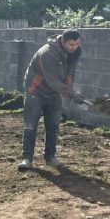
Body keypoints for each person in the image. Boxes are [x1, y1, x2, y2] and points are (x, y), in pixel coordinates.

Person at [18, 29, 86, 171]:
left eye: (77, 44)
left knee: (53, 125)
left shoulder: (76, 51)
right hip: (35, 91)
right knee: (30, 125)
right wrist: (72, 93)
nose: (74, 47)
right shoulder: (47, 53)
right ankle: (27, 158)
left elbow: (70, 72)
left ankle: (50, 157)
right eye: (71, 45)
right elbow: (52, 80)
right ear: (62, 41)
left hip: (54, 93)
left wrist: (68, 88)